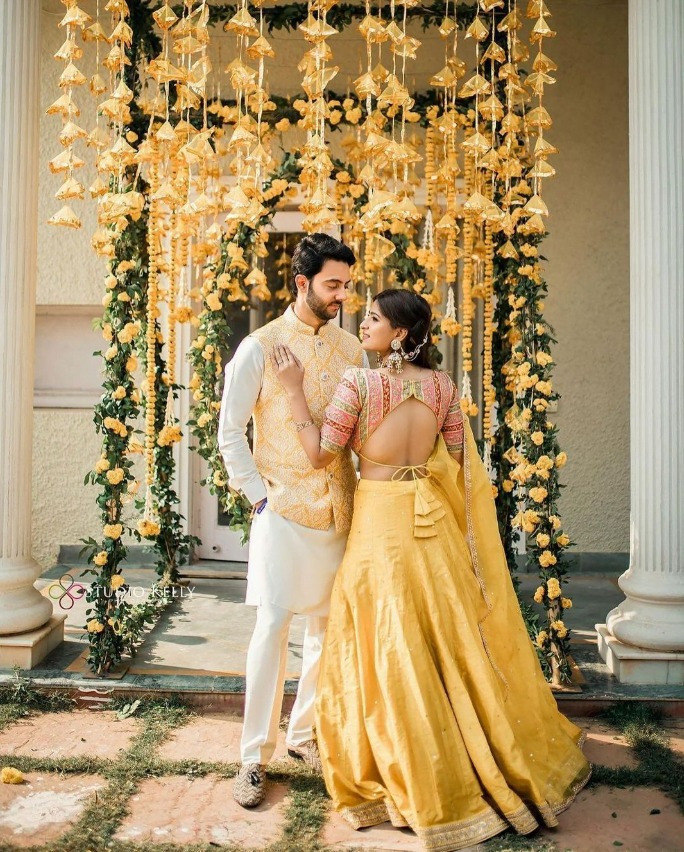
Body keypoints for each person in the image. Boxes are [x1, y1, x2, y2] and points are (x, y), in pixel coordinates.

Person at [271, 288, 591, 851]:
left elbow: (321, 454)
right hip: (433, 523)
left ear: (398, 333)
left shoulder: (361, 384)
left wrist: (295, 393)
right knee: (445, 637)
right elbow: (459, 466)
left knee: (390, 640)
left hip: (381, 527)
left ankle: (412, 765)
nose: (362, 323)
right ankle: (472, 747)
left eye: (371, 318)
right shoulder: (442, 388)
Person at [218, 233, 365, 808]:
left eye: (347, 286)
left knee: (326, 631)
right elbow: (230, 431)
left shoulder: (352, 349)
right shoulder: (259, 347)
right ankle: (253, 756)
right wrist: (257, 498)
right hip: (280, 507)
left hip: (340, 504)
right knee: (273, 626)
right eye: (333, 284)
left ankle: (304, 734)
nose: (342, 296)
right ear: (301, 283)